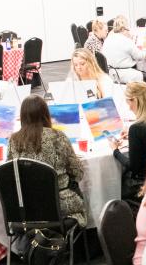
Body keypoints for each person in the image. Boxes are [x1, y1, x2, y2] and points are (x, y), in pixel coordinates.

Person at [6, 96, 87, 226]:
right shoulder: (58, 136)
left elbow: (9, 174)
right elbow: (78, 172)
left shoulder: (13, 140)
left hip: (26, 206)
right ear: (45, 114)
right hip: (58, 203)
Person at [102, 19, 146, 83]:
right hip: (123, 74)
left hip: (110, 73)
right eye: (128, 30)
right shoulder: (126, 40)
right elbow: (139, 56)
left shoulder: (108, 39)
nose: (129, 32)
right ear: (123, 29)